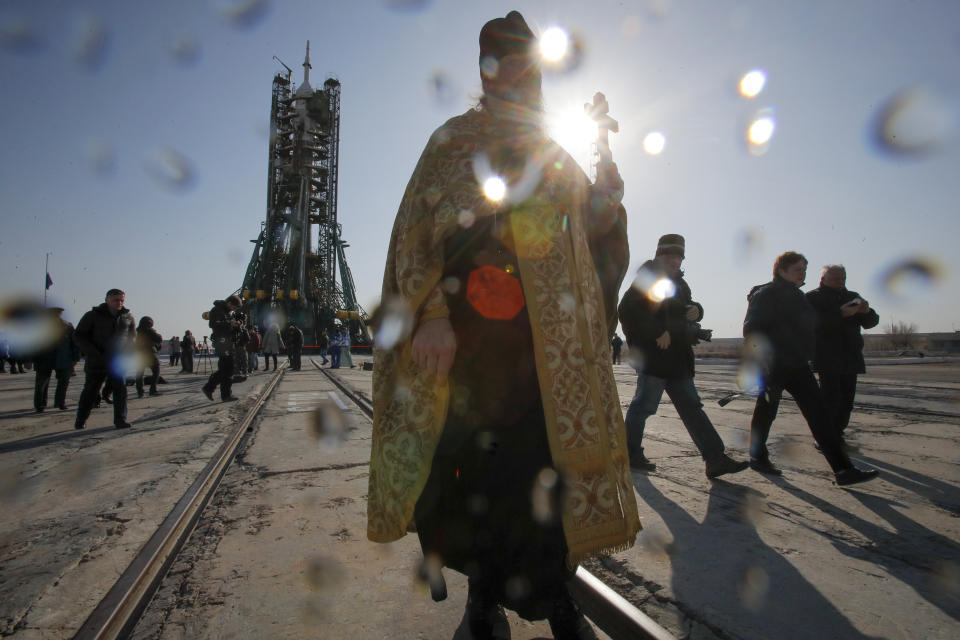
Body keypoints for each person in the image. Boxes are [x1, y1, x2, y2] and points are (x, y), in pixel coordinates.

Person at [367, 12, 639, 639]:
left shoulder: (552, 148)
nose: (522, 77)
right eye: (509, 64)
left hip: (548, 351)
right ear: (487, 69)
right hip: (470, 345)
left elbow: (591, 232)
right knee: (475, 474)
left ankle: (556, 593)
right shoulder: (453, 141)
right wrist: (430, 315)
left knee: (544, 471)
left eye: (532, 67)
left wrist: (606, 171)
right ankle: (482, 597)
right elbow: (417, 236)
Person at [618, 234, 749, 477]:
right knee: (644, 407)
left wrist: (697, 311)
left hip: (678, 360)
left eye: (678, 256)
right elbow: (628, 311)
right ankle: (630, 452)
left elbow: (682, 309)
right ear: (659, 255)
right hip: (655, 358)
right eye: (669, 254)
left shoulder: (680, 284)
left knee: (692, 409)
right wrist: (658, 332)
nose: (674, 259)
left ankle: (715, 459)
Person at [743, 251, 878, 486]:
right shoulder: (766, 293)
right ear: (781, 270)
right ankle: (757, 455)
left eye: (804, 270)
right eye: (797, 269)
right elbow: (752, 328)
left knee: (819, 415)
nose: (802, 274)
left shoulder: (797, 295)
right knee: (767, 411)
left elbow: (812, 325)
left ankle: (843, 470)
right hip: (774, 364)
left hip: (797, 364)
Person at [806, 265, 879, 445]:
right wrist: (840, 314)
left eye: (843, 278)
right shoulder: (812, 298)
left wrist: (867, 312)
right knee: (830, 400)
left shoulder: (852, 296)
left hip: (850, 356)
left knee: (846, 401)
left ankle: (837, 433)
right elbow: (812, 324)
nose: (840, 281)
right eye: (836, 278)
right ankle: (825, 437)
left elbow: (870, 322)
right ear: (823, 278)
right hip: (826, 357)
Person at [73, 288, 135, 429]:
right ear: (107, 299)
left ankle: (120, 420)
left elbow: (132, 337)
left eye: (121, 300)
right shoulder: (92, 316)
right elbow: (78, 336)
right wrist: (92, 352)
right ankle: (81, 419)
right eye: (116, 300)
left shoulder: (127, 317)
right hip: (97, 360)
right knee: (91, 391)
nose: (119, 303)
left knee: (120, 391)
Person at [33, 307, 80, 412]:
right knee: (42, 384)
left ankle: (60, 402)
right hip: (44, 358)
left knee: (63, 382)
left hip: (64, 358)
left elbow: (74, 343)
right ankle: (40, 404)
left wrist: (75, 358)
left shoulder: (67, 326)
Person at [201, 295, 242, 402]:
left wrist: (236, 326)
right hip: (222, 342)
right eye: (234, 307)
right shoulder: (216, 310)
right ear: (229, 303)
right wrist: (230, 323)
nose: (234, 309)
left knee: (225, 369)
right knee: (228, 369)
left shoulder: (227, 312)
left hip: (227, 342)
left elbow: (227, 326)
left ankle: (210, 388)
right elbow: (213, 324)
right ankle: (224, 394)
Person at [134, 316, 163, 397]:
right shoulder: (149, 330)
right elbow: (159, 338)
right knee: (156, 371)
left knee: (139, 373)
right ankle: (153, 390)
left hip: (139, 354)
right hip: (149, 353)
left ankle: (140, 392)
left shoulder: (137, 331)